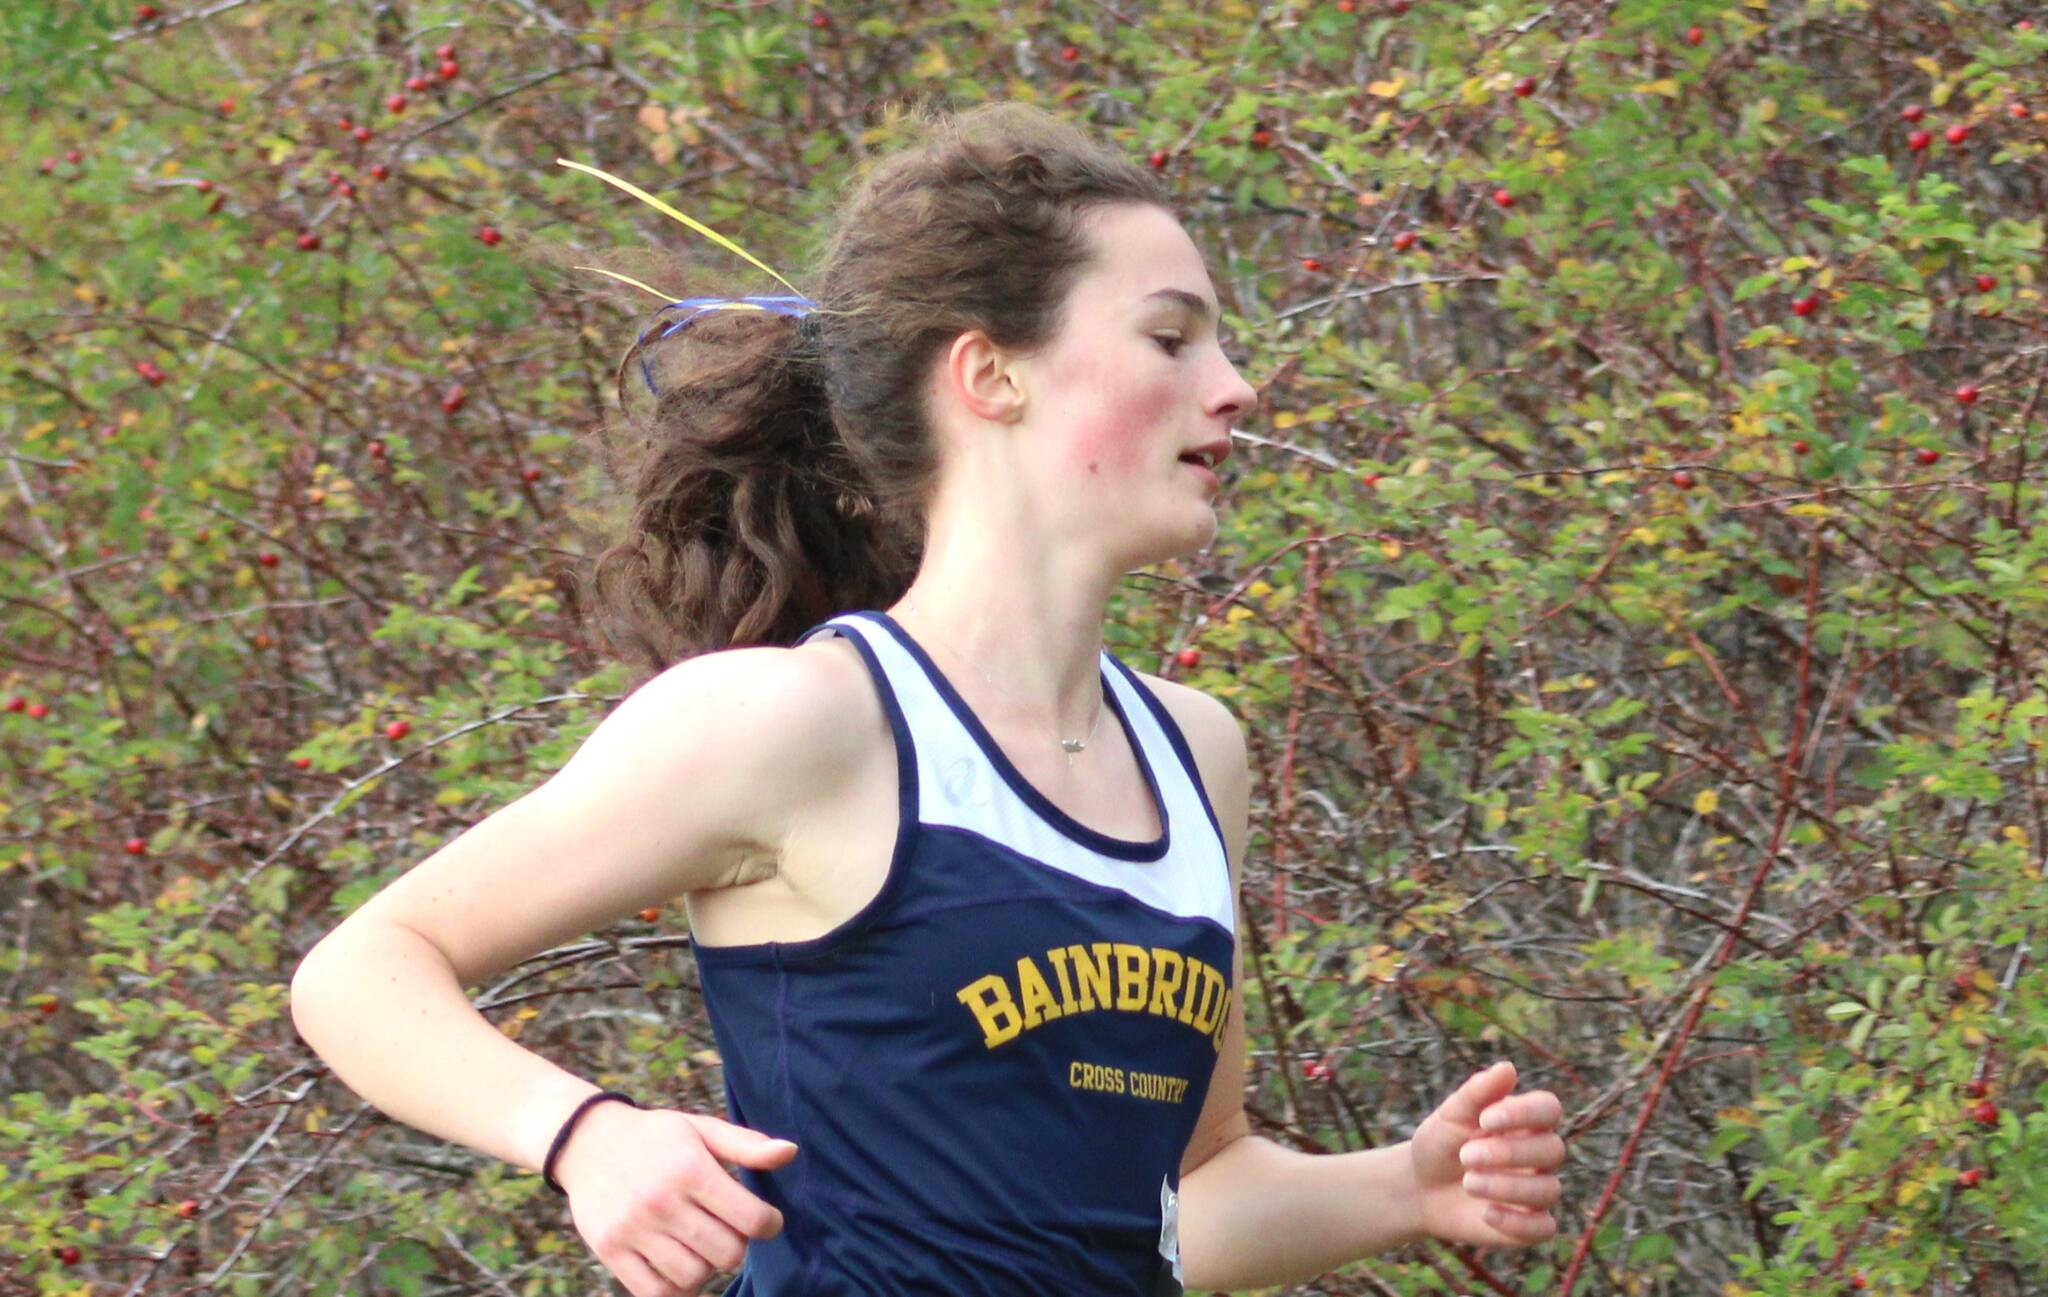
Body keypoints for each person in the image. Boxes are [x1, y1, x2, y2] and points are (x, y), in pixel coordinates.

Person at [288, 98, 1565, 1297]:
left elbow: (1188, 1193)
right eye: (1170, 337)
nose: (1233, 385)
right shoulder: (795, 723)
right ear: (990, 376)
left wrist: (1400, 1187)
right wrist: (581, 1134)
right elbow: (362, 969)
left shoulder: (1194, 754)